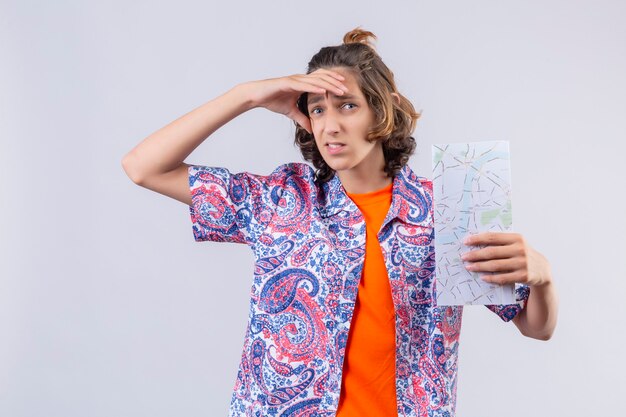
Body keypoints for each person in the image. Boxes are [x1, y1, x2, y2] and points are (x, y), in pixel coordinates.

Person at [122, 27, 558, 417]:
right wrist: (246, 95)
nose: (329, 126)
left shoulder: (447, 206)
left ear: (382, 110)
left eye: (347, 106)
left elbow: (537, 327)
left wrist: (542, 277)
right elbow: (144, 167)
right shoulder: (281, 200)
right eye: (317, 110)